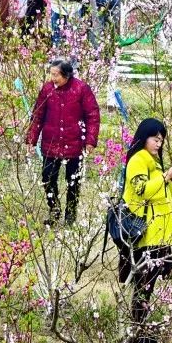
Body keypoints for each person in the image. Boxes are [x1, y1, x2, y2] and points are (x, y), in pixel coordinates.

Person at [120, 118, 172, 343]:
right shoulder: (138, 161)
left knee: (149, 286)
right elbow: (142, 190)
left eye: (161, 140)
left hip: (160, 235)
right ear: (143, 137)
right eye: (154, 138)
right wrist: (166, 175)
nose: (158, 144)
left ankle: (141, 333)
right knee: (143, 288)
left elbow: (166, 195)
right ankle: (139, 337)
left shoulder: (154, 163)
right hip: (146, 236)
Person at [26, 59, 100, 225]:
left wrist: (90, 140)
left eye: (56, 75)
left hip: (74, 143)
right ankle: (54, 210)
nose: (52, 78)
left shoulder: (81, 89)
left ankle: (70, 216)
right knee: (47, 178)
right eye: (51, 74)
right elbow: (38, 114)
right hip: (51, 143)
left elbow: (93, 116)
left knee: (73, 181)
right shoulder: (47, 89)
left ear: (66, 75)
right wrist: (32, 139)